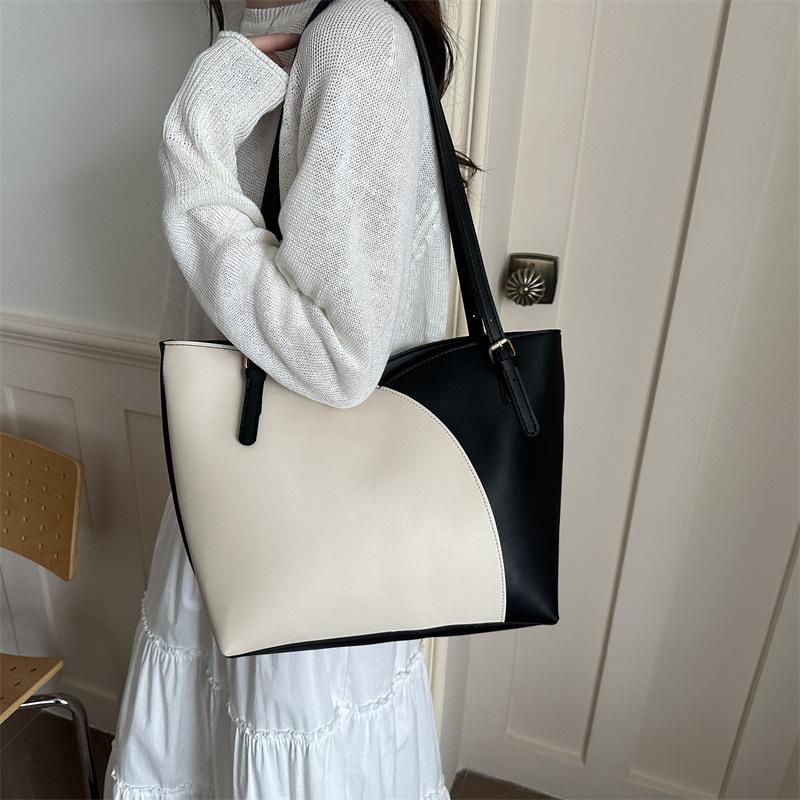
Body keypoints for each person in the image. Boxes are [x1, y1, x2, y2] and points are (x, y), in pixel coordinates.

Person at [105, 0, 477, 795]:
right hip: (241, 485)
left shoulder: (353, 37)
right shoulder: (278, 26)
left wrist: (193, 135)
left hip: (301, 521)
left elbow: (336, 355)